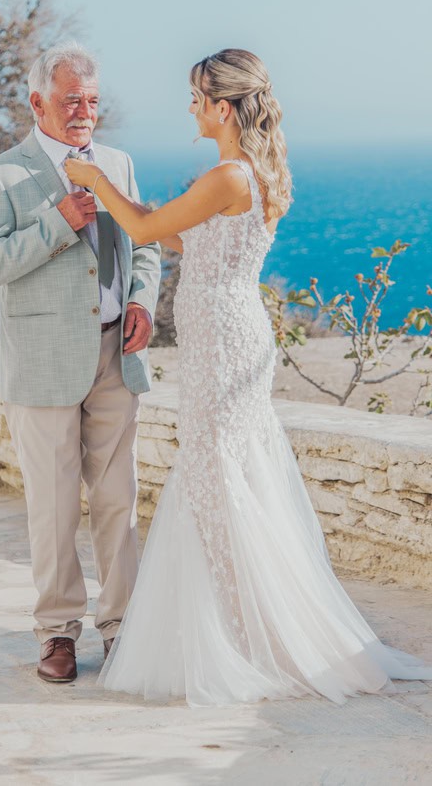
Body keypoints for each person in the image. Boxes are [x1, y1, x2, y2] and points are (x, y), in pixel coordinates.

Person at [64, 48, 432, 706]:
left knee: (214, 475)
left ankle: (243, 633)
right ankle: (241, 623)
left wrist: (94, 176)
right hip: (229, 334)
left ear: (224, 108)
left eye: (199, 99)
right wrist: (138, 207)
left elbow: (147, 228)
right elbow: (181, 238)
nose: (191, 109)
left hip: (223, 346)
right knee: (221, 472)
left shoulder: (230, 176)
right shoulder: (249, 172)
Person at [0, 42, 161, 683]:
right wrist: (55, 221)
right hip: (43, 365)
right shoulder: (1, 176)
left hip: (115, 355)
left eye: (93, 100)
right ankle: (57, 633)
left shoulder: (118, 164)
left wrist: (141, 301)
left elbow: (147, 245)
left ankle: (124, 627)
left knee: (118, 502)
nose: (85, 112)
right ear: (38, 102)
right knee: (52, 508)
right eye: (72, 99)